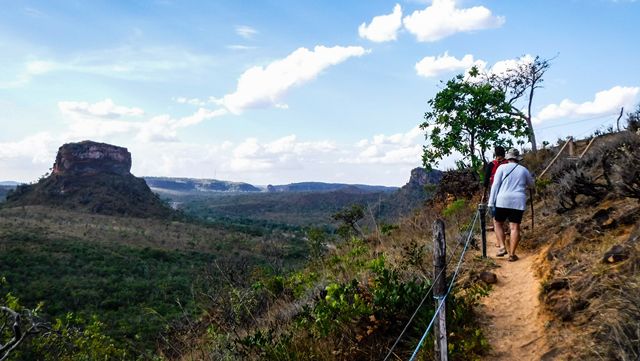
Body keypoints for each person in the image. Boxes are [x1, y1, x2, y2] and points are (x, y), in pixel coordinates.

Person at [488, 148, 534, 262]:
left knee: (498, 223)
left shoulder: (501, 168)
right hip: (518, 201)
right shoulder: (524, 170)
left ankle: (502, 247)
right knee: (514, 227)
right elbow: (532, 185)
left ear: (508, 157)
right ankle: (512, 254)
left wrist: (490, 202)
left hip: (502, 200)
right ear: (518, 158)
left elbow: (495, 185)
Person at [483, 146, 508, 250]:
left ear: (495, 154)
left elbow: (486, 181)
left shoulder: (491, 165)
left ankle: (499, 242)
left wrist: (484, 194)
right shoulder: (508, 164)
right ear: (504, 153)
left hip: (496, 193)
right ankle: (505, 239)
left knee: (496, 219)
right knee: (506, 218)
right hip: (508, 192)